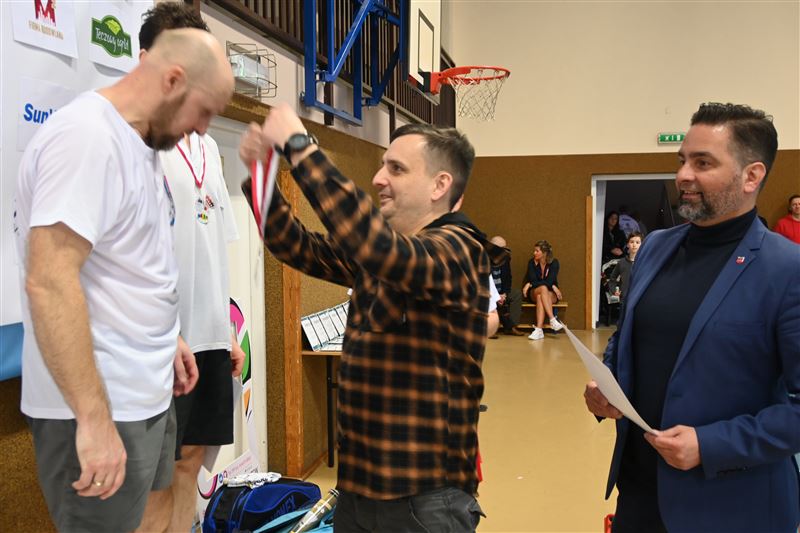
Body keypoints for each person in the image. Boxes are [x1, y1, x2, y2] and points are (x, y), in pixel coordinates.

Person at [239, 104, 505, 531]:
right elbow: (295, 246)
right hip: (360, 489)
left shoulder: (460, 250)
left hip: (424, 501)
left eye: (396, 169)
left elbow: (380, 250)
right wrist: (262, 177)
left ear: (440, 185)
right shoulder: (386, 250)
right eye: (383, 166)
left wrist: (301, 147)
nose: (379, 178)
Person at [13, 28, 234, 532]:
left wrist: (167, 338)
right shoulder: (88, 138)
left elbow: (128, 266)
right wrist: (93, 419)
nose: (203, 130)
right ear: (172, 80)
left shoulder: (141, 145)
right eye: (203, 111)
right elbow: (49, 281)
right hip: (100, 406)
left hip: (145, 393)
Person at [584, 103, 800, 532]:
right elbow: (627, 339)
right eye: (682, 160)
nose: (683, 175)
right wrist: (608, 387)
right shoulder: (655, 248)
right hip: (640, 495)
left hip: (732, 507)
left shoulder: (787, 269)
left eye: (703, 163)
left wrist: (711, 444)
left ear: (752, 176)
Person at [135, 5, 245, 532]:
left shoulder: (209, 147)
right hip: (161, 339)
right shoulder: (142, 143)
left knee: (194, 458)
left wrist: (228, 330)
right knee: (158, 473)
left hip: (209, 337)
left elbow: (216, 246)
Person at [521, 240, 564, 340]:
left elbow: (549, 281)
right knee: (542, 289)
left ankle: (539, 330)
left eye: (537, 251)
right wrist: (533, 283)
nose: (534, 253)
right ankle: (552, 319)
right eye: (534, 251)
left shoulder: (554, 263)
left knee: (541, 296)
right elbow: (534, 279)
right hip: (534, 292)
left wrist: (530, 284)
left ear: (544, 253)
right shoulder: (531, 263)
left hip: (549, 294)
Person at [489, 235, 524, 336]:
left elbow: (508, 278)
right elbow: (483, 281)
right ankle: (490, 328)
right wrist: (495, 295)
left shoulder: (506, 258)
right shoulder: (483, 258)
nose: (505, 250)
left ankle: (511, 326)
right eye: (502, 248)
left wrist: (504, 293)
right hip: (488, 292)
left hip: (501, 292)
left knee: (516, 294)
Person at [608, 231, 642, 302]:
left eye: (637, 242)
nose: (634, 245)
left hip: (640, 300)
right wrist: (614, 291)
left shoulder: (644, 262)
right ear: (627, 244)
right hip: (624, 301)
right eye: (632, 242)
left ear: (642, 245)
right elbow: (612, 279)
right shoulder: (622, 262)